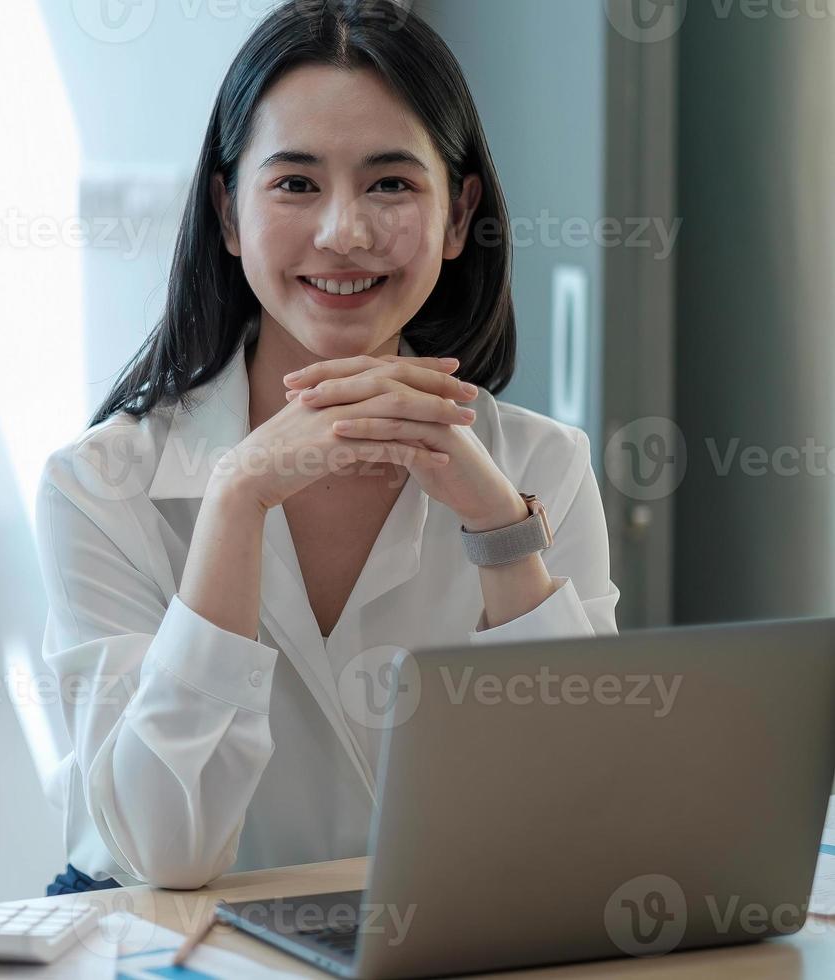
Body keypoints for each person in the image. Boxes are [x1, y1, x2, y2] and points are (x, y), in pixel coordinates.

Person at [35, 0, 619, 894]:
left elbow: (582, 818)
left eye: (390, 184)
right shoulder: (98, 486)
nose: (343, 232)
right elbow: (162, 851)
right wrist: (235, 500)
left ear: (458, 216)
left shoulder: (540, 472)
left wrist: (498, 528)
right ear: (229, 215)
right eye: (295, 184)